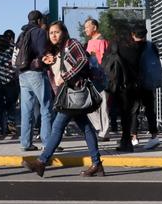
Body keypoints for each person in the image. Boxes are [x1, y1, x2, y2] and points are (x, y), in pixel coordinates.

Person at [23, 21, 104, 177]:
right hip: (67, 95)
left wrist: (65, 77)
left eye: (57, 32)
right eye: (51, 32)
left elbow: (82, 61)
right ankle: (97, 164)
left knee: (57, 127)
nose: (53, 35)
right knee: (86, 128)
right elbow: (41, 64)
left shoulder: (72, 43)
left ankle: (41, 162)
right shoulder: (54, 50)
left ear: (64, 32)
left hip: (73, 93)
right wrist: (42, 61)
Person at [16, 10, 54, 151]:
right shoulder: (39, 32)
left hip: (22, 74)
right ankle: (48, 143)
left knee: (27, 110)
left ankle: (26, 143)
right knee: (46, 107)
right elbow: (42, 52)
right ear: (39, 20)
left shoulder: (22, 33)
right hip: (36, 73)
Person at [112, 28, 145, 152]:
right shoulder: (139, 48)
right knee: (130, 114)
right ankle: (127, 141)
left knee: (124, 114)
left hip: (120, 84)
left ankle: (126, 142)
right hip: (133, 85)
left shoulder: (117, 47)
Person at [129, 25, 161, 150]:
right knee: (150, 110)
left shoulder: (131, 47)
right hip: (149, 83)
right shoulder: (151, 46)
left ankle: (134, 137)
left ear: (133, 34)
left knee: (133, 111)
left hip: (135, 84)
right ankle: (154, 136)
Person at [84, 18, 111, 141]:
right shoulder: (89, 42)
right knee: (89, 106)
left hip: (101, 78)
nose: (85, 30)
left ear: (94, 27)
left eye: (87, 27)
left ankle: (104, 132)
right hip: (91, 78)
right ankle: (99, 127)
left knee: (103, 105)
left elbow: (105, 61)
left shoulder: (102, 41)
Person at [0, 32, 18, 136]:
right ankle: (11, 127)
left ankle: (0, 128)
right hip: (10, 83)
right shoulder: (10, 54)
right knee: (10, 106)